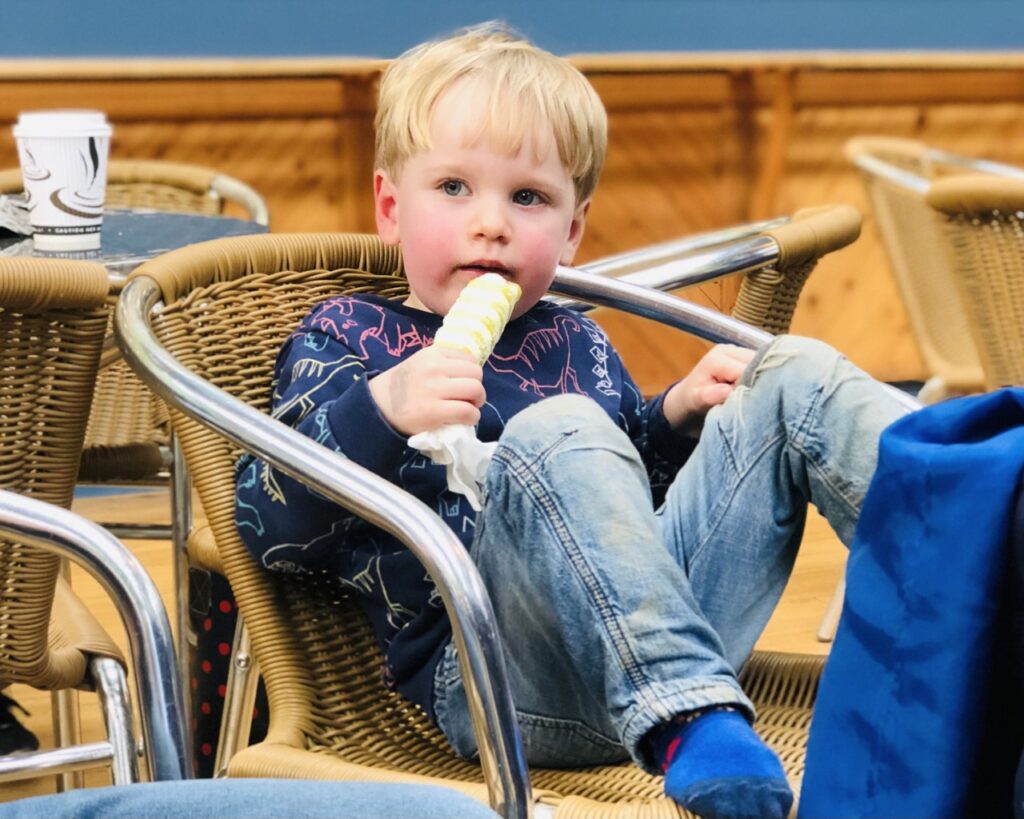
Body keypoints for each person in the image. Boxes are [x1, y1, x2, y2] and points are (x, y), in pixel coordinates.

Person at [235, 22, 908, 818]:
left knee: (795, 371)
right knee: (557, 428)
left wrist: (674, 418)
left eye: (528, 198)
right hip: (498, 683)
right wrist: (382, 409)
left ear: (573, 229)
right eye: (453, 188)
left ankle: (980, 560)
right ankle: (690, 720)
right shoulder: (344, 338)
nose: (491, 223)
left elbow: (623, 506)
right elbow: (268, 527)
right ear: (390, 206)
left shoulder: (574, 338)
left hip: (663, 630)